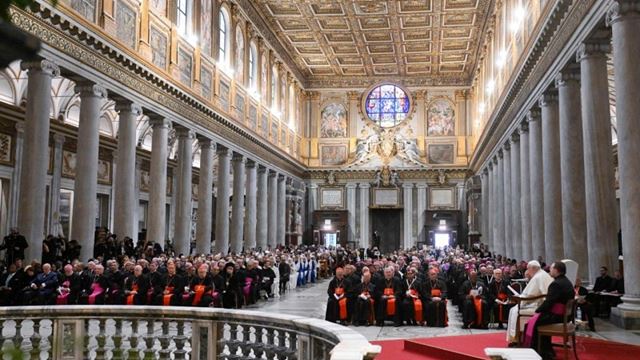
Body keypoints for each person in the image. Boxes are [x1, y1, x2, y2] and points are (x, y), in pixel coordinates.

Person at [523, 262, 574, 359]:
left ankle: (538, 352)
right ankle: (547, 349)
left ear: (556, 270)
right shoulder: (567, 281)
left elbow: (548, 302)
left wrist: (537, 311)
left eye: (551, 268)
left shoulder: (556, 284)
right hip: (565, 316)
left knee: (531, 324)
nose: (549, 270)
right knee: (537, 320)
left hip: (557, 316)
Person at [506, 260, 553, 345]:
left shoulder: (537, 277)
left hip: (538, 305)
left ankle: (516, 339)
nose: (527, 271)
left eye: (528, 269)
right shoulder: (543, 274)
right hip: (541, 303)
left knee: (514, 310)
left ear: (533, 268)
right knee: (514, 309)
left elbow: (529, 295)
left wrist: (520, 299)